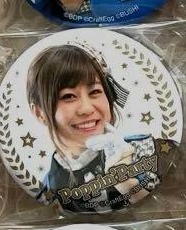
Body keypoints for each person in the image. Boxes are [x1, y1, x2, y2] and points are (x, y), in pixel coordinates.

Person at [27, 44, 162, 212]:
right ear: (39, 113)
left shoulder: (150, 150)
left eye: (95, 92)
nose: (87, 108)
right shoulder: (45, 194)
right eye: (68, 96)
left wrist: (129, 184)